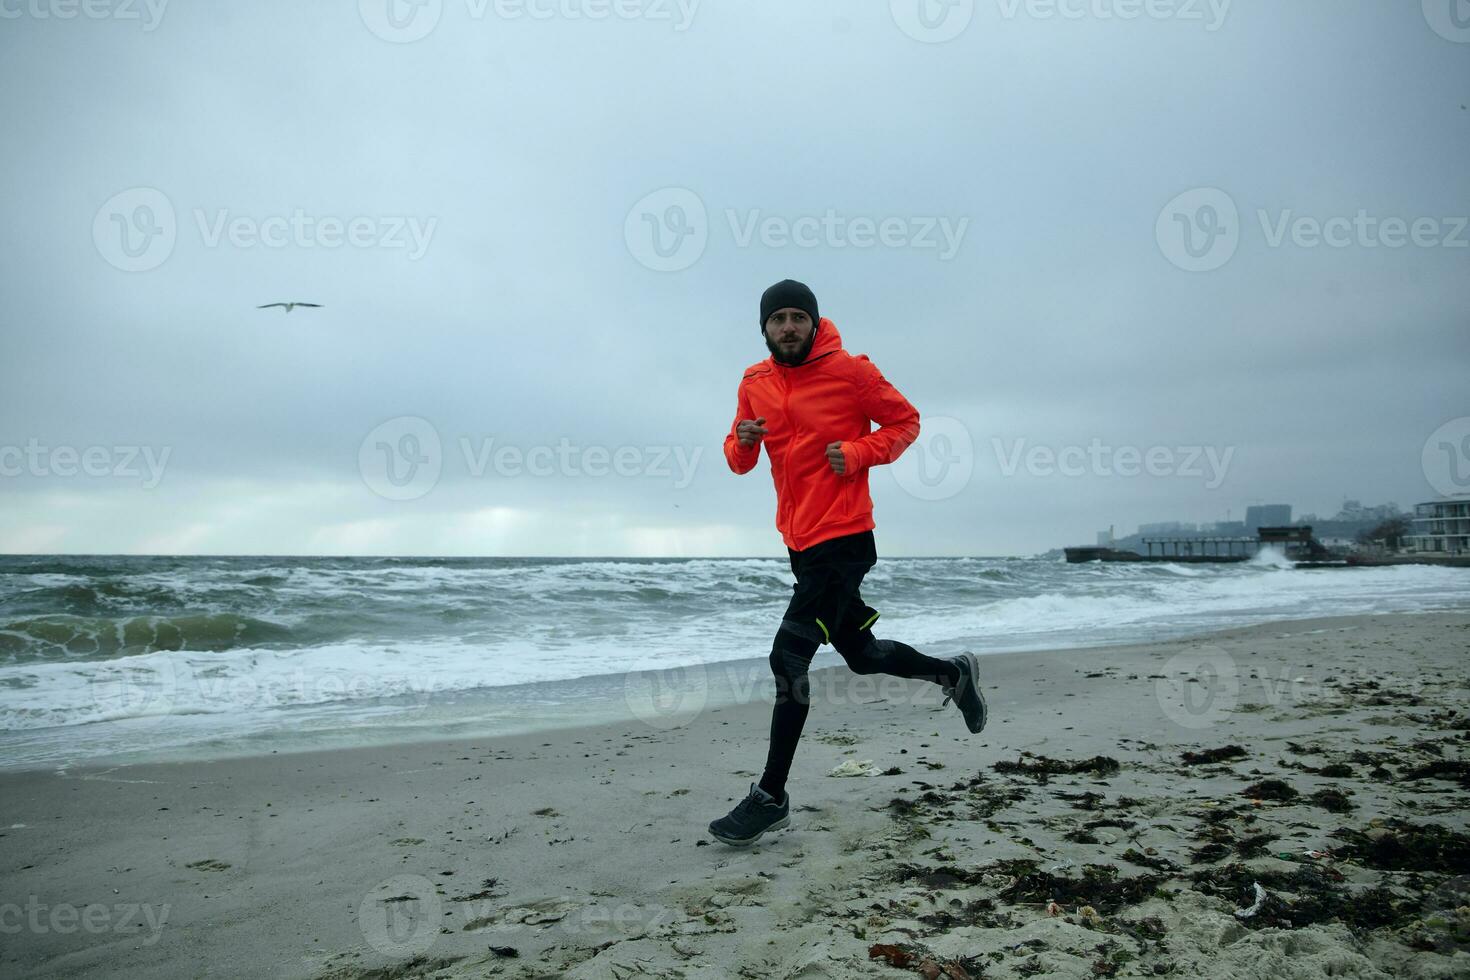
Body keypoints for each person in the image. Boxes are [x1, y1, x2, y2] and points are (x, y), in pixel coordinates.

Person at [707, 279, 988, 847]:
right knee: (860, 657)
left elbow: (905, 422)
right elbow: (740, 461)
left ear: (814, 322)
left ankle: (771, 796)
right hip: (801, 543)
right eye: (778, 318)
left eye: (797, 317)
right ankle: (951, 674)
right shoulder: (754, 382)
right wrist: (740, 439)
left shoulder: (851, 372)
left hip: (845, 537)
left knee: (786, 658)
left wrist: (859, 452)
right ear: (763, 328)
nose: (788, 326)